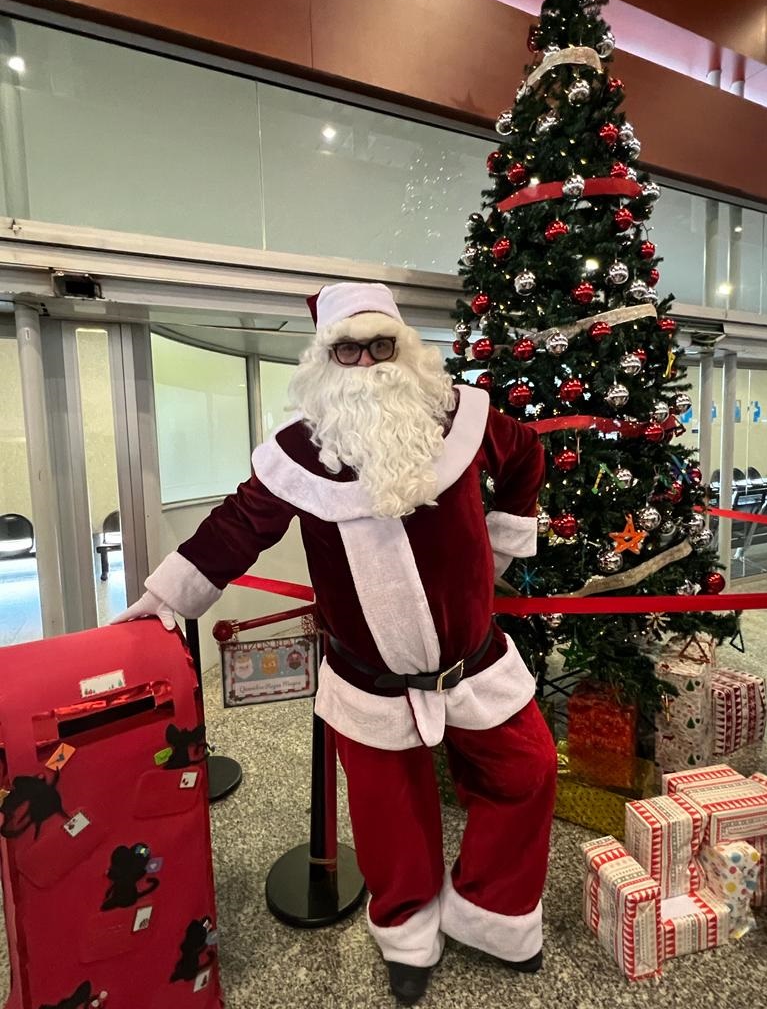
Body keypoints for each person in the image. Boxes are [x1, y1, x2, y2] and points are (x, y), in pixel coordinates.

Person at [114, 282, 557, 1005]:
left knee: (529, 773)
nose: (365, 364)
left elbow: (526, 458)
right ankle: (410, 934)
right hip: (367, 685)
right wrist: (164, 600)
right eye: (346, 350)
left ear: (404, 349)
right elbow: (235, 529)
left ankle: (495, 914)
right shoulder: (295, 455)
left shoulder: (462, 418)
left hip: (476, 665)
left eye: (380, 346)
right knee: (391, 819)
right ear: (324, 360)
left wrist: (508, 538)